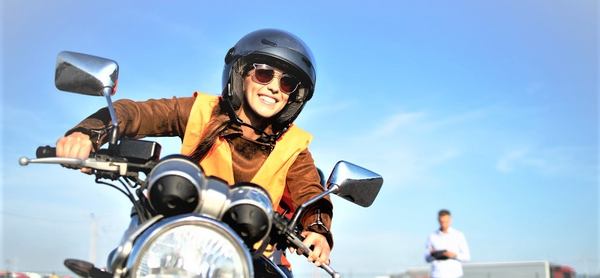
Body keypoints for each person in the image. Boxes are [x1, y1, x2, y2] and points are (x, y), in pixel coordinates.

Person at [55, 29, 333, 276]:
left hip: (254, 252)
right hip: (177, 239)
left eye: (287, 83)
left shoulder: (294, 146)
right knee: (123, 264)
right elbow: (137, 113)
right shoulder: (201, 112)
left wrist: (318, 231)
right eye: (263, 73)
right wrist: (88, 133)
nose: (274, 86)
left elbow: (311, 193)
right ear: (242, 74)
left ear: (294, 96)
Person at [425, 209, 470, 278]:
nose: (444, 224)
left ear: (450, 220)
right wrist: (433, 254)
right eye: (442, 222)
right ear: (438, 220)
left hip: (454, 275)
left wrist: (454, 255)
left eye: (446, 222)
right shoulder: (432, 236)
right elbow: (427, 258)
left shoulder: (458, 235)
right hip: (437, 274)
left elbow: (467, 257)